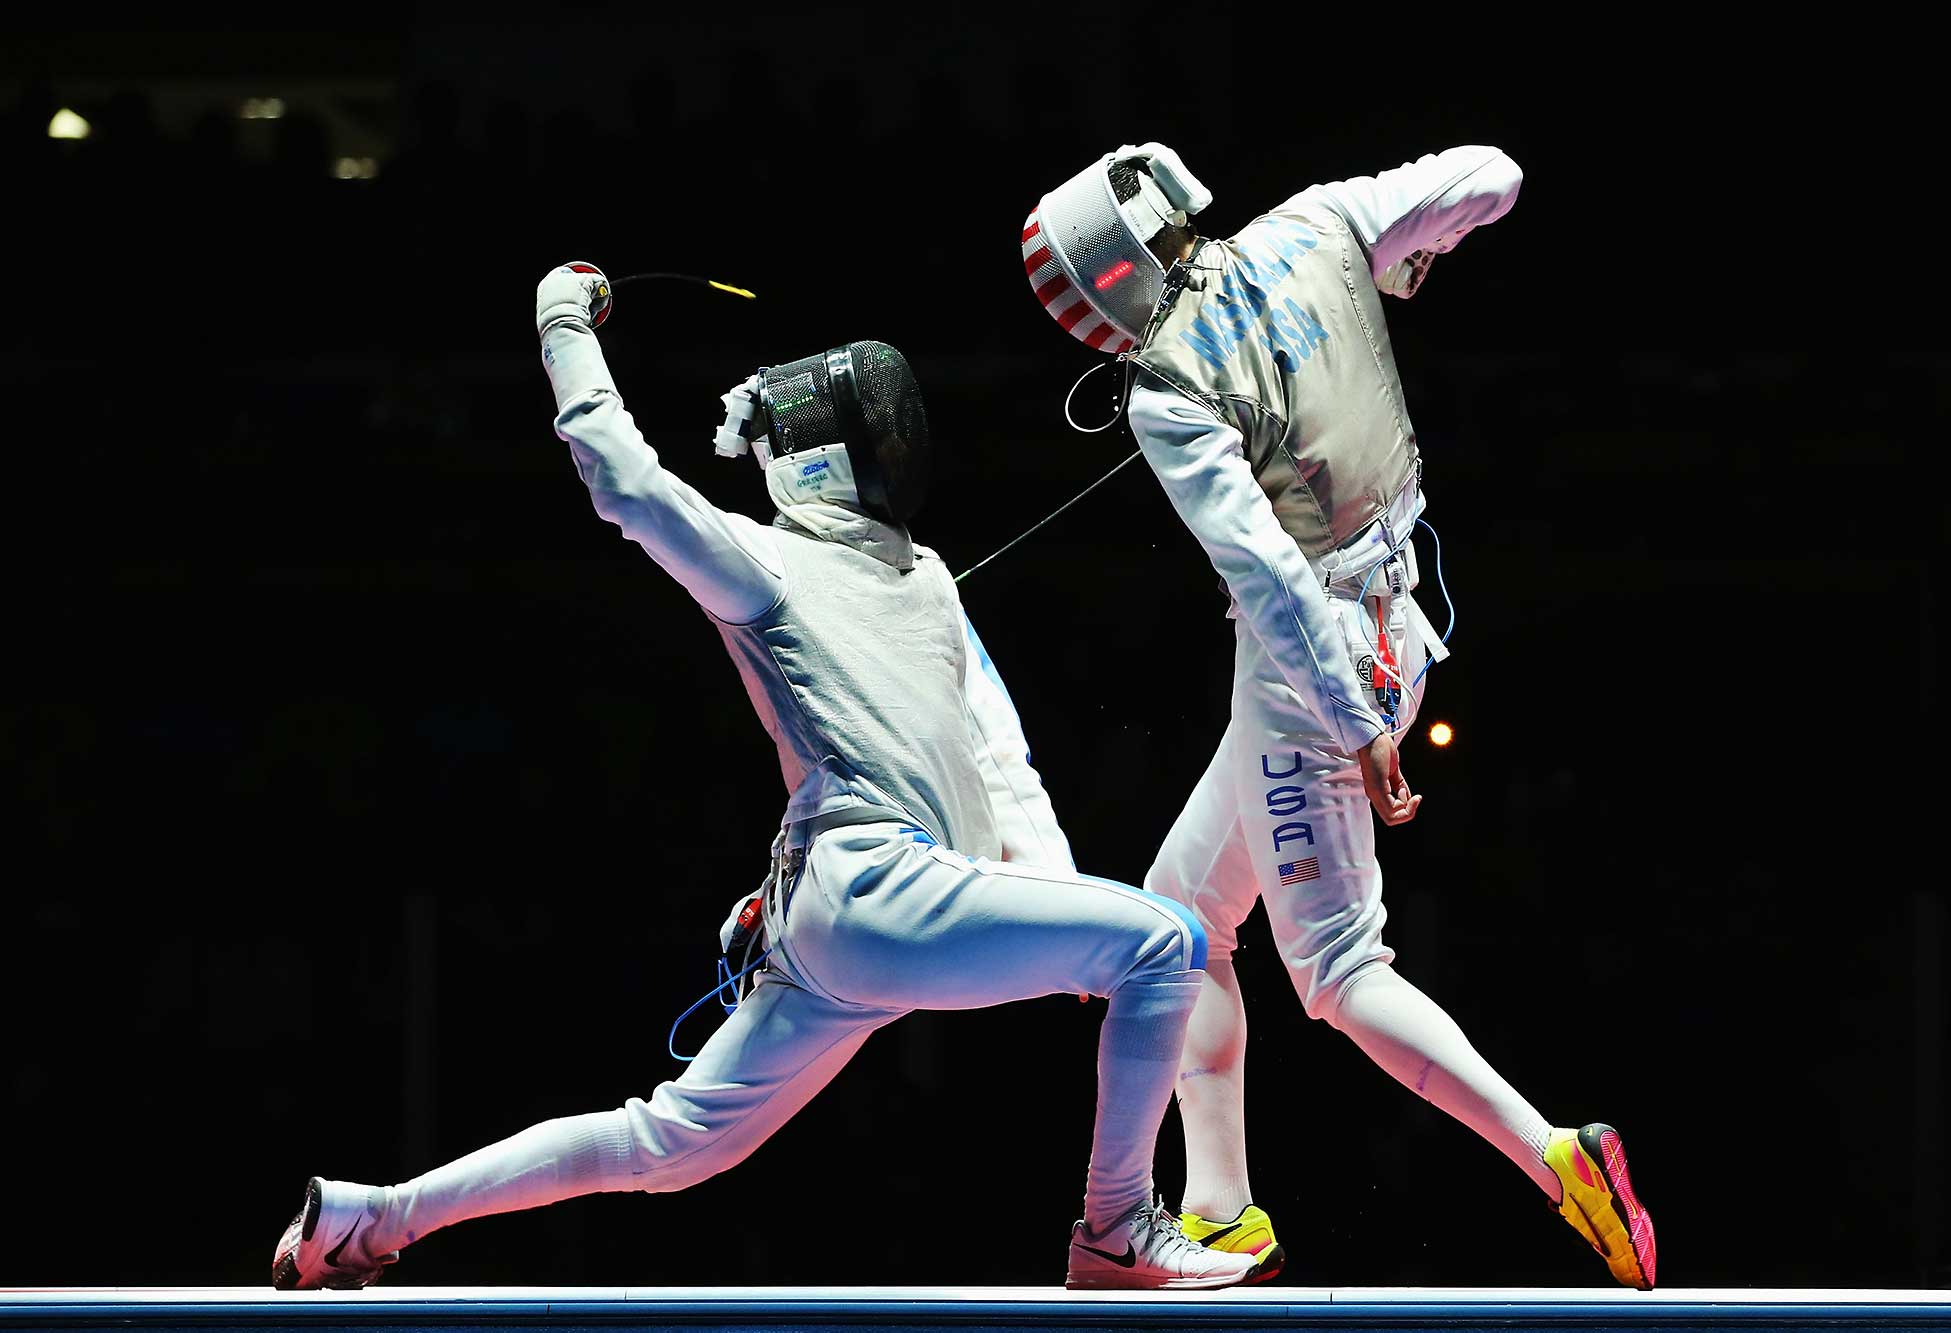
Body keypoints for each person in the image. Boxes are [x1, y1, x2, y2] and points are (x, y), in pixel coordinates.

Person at [269, 262, 1266, 1293]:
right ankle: (1113, 1231)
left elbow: (993, 755)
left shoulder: (921, 576)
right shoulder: (759, 567)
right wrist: (562, 323)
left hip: (853, 916)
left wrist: (1052, 897)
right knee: (1168, 942)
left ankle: (374, 1216)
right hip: (876, 893)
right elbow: (622, 478)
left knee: (671, 1145)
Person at [1020, 146, 1656, 1289]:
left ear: (1105, 286)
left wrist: (1352, 720)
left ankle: (1556, 1159)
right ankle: (1221, 1210)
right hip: (1399, 626)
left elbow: (1264, 571)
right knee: (1178, 924)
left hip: (1312, 674)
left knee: (1335, 970)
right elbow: (1492, 173)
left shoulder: (1168, 388)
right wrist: (1411, 253)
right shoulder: (1316, 221)